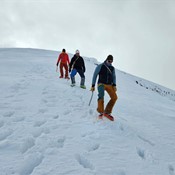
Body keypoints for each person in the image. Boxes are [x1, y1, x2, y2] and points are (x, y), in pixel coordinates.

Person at [90, 55, 118, 121]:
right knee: (101, 95)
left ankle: (107, 112)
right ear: (106, 59)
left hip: (109, 85)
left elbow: (114, 77)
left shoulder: (112, 68)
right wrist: (93, 85)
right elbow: (95, 74)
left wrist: (114, 85)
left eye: (111, 61)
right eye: (109, 61)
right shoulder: (100, 66)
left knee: (114, 97)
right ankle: (101, 112)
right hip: (101, 83)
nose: (110, 62)